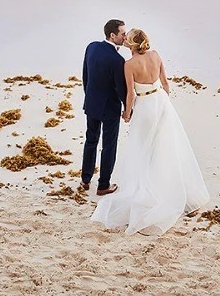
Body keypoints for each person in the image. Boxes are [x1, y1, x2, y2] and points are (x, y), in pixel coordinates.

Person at [91, 28, 209, 235]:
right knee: (167, 146)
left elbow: (130, 94)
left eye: (127, 38)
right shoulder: (155, 55)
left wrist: (127, 113)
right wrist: (164, 103)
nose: (124, 39)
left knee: (144, 150)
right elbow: (165, 83)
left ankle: (151, 191)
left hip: (145, 106)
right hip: (161, 102)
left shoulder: (128, 65)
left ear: (131, 44)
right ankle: (183, 194)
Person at [80, 19, 129, 196]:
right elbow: (121, 89)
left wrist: (89, 95)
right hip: (109, 108)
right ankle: (103, 185)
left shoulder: (91, 47)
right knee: (109, 145)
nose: (125, 37)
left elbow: (85, 74)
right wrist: (127, 109)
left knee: (91, 140)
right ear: (112, 35)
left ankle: (85, 179)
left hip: (92, 102)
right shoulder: (118, 60)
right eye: (123, 33)